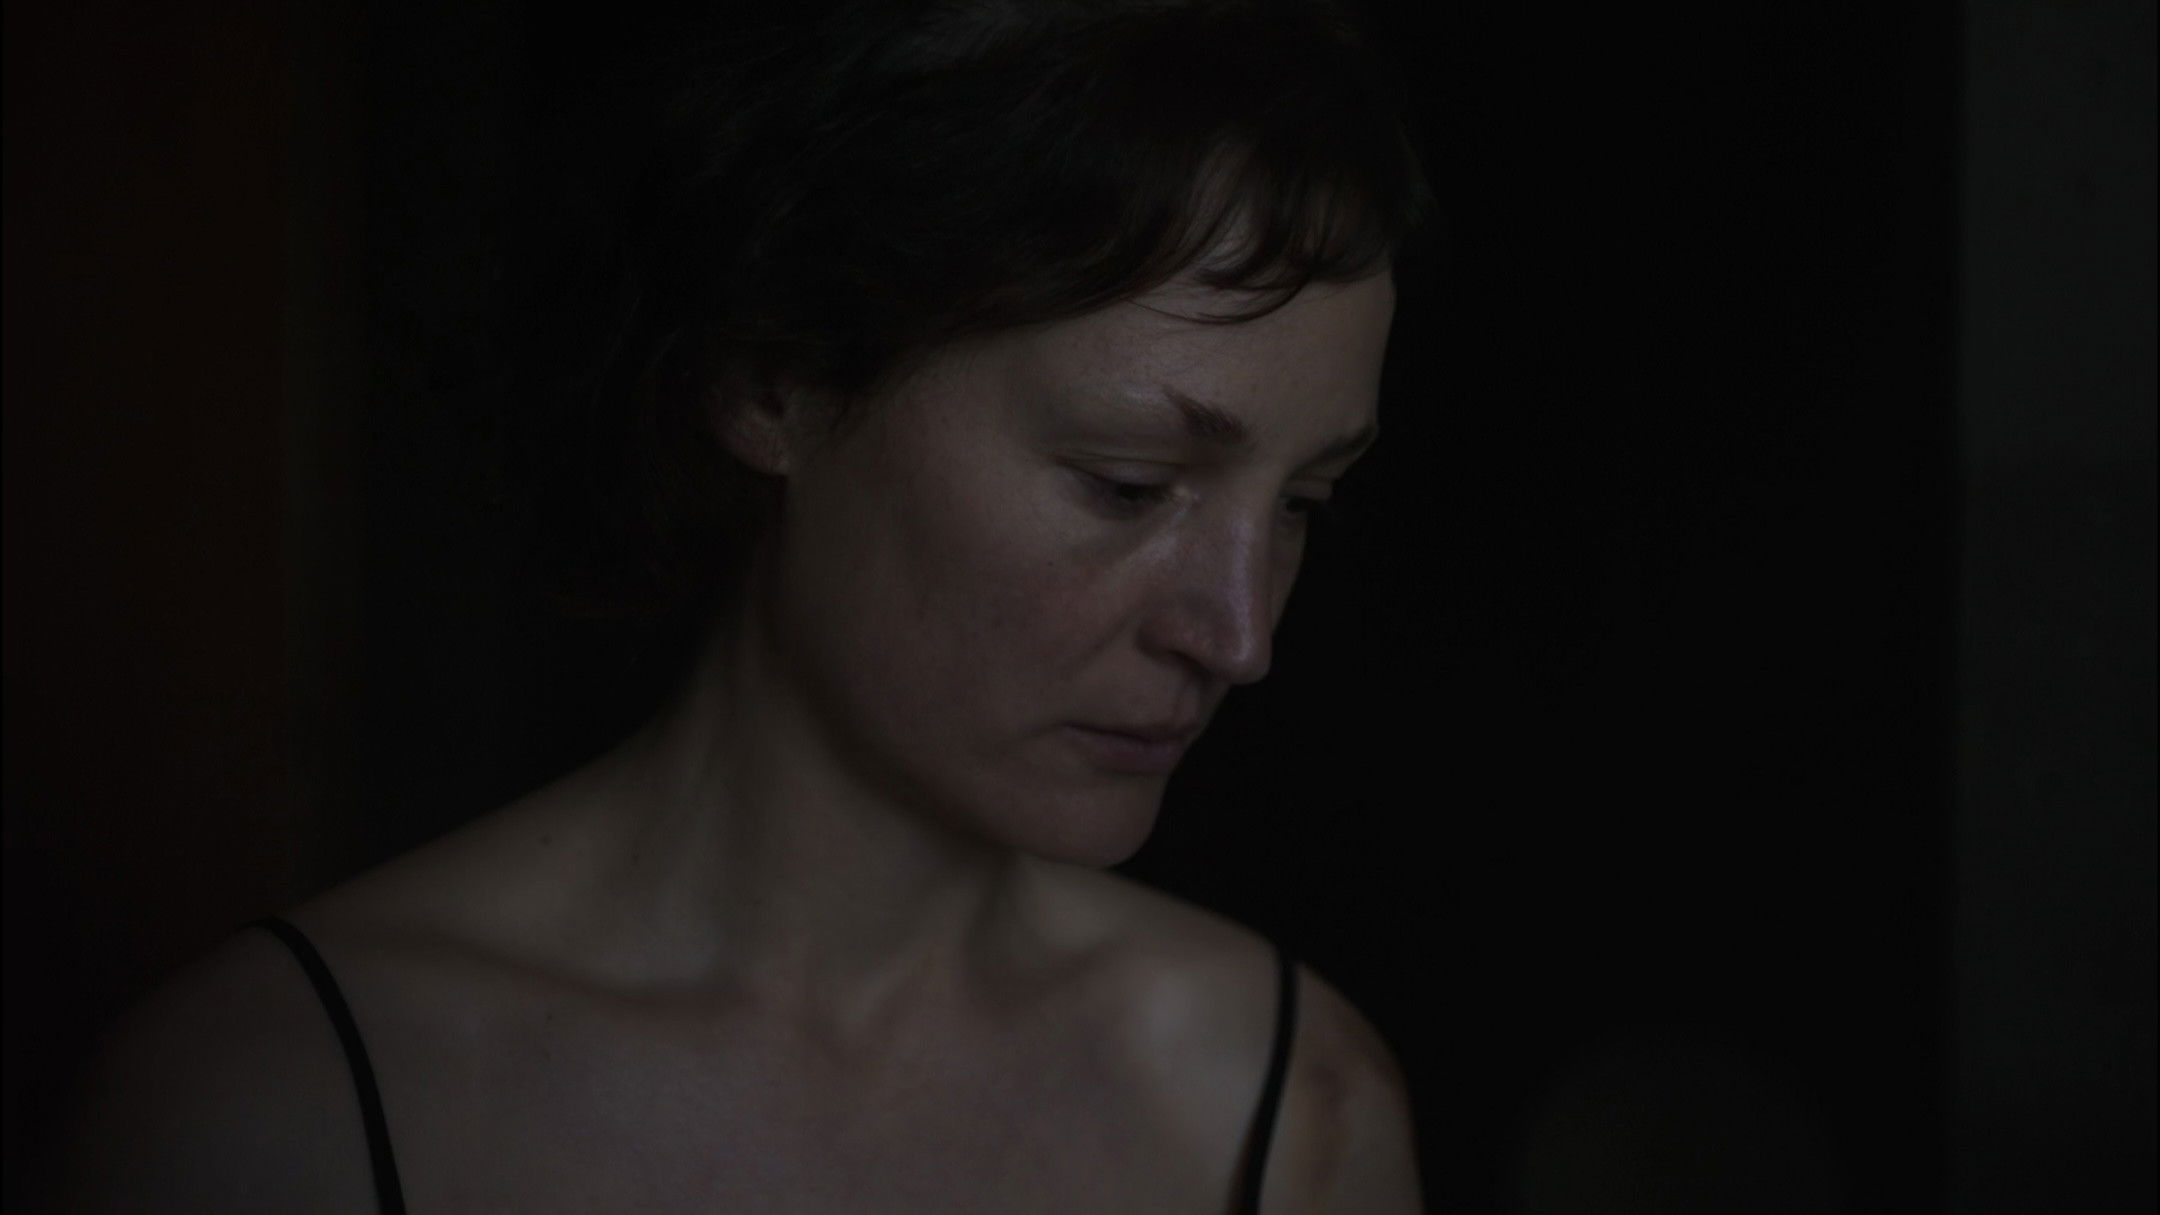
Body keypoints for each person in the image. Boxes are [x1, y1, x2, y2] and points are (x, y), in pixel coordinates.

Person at [63, 0, 1430, 1210]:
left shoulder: (1280, 1107)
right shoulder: (285, 1106)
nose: (1239, 637)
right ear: (775, 383)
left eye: (1302, 501)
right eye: (1126, 484)